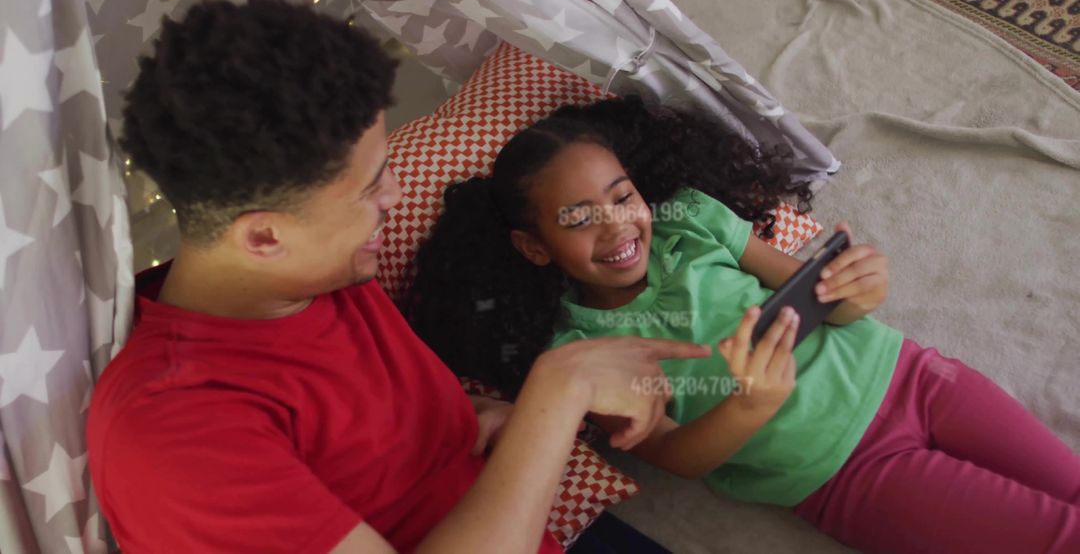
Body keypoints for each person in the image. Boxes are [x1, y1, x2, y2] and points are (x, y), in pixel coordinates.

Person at [85, 0, 712, 554]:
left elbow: (362, 435)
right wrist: (558, 393)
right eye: (369, 186)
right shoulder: (174, 438)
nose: (396, 191)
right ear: (264, 235)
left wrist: (489, 416)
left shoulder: (312, 278)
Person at [407, 96, 1080, 553]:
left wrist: (862, 289)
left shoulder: (692, 220)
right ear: (534, 246)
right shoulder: (579, 351)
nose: (617, 226)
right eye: (578, 218)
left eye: (622, 198)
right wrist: (750, 408)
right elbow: (678, 457)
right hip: (848, 471)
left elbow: (819, 296)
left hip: (919, 376)